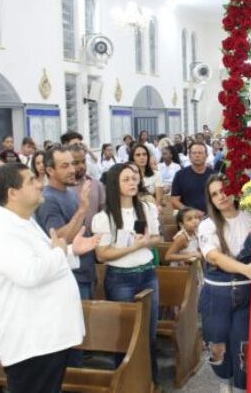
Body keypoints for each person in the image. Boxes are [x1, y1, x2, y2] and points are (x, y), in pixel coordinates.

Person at [0, 163, 98, 392]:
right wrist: (60, 252)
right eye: (31, 181)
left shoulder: (23, 221)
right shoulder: (0, 230)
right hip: (31, 340)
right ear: (12, 193)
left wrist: (72, 251)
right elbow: (29, 274)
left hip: (46, 337)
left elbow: (42, 260)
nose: (39, 184)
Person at [92, 163, 161, 382]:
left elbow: (157, 238)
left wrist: (148, 241)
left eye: (134, 178)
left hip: (147, 273)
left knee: (149, 332)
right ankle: (125, 382)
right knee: (126, 334)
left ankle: (150, 379)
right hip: (121, 278)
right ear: (115, 184)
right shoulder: (104, 217)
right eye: (126, 179)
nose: (133, 183)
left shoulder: (146, 208)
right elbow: (102, 254)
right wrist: (134, 247)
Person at [197, 174, 251, 392]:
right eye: (214, 194)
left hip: (246, 295)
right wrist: (245, 269)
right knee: (217, 343)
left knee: (243, 344)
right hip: (216, 296)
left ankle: (242, 387)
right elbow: (214, 257)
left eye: (223, 190)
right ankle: (223, 383)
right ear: (210, 200)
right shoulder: (207, 225)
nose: (221, 196)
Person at [34, 146, 96, 302]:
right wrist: (82, 209)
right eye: (64, 166)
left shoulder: (70, 192)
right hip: (71, 276)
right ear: (50, 170)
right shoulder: (48, 199)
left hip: (85, 272)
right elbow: (60, 239)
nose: (72, 170)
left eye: (72, 164)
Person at [171, 142, 213, 213]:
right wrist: (190, 211)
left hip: (211, 216)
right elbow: (174, 200)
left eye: (200, 153)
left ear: (206, 156)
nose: (197, 155)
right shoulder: (180, 175)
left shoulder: (213, 175)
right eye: (194, 153)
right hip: (188, 217)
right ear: (189, 156)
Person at [129, 144, 163, 209]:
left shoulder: (156, 174)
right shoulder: (129, 175)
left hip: (151, 208)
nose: (142, 157)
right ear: (132, 158)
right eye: (138, 155)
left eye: (144, 154)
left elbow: (159, 200)